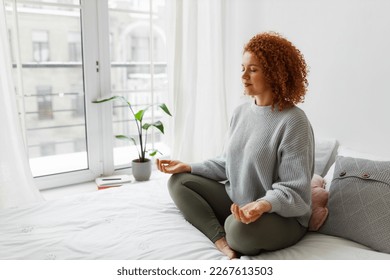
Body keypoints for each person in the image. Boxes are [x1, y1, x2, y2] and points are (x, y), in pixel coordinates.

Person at [157, 31, 314, 259]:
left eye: (253, 69)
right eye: (243, 69)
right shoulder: (240, 112)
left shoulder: (294, 121)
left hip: (282, 216)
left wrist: (262, 205)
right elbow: (229, 163)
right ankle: (220, 239)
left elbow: (295, 190)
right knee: (179, 182)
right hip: (240, 202)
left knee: (238, 231)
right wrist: (189, 167)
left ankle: (231, 231)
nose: (243, 76)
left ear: (274, 74)